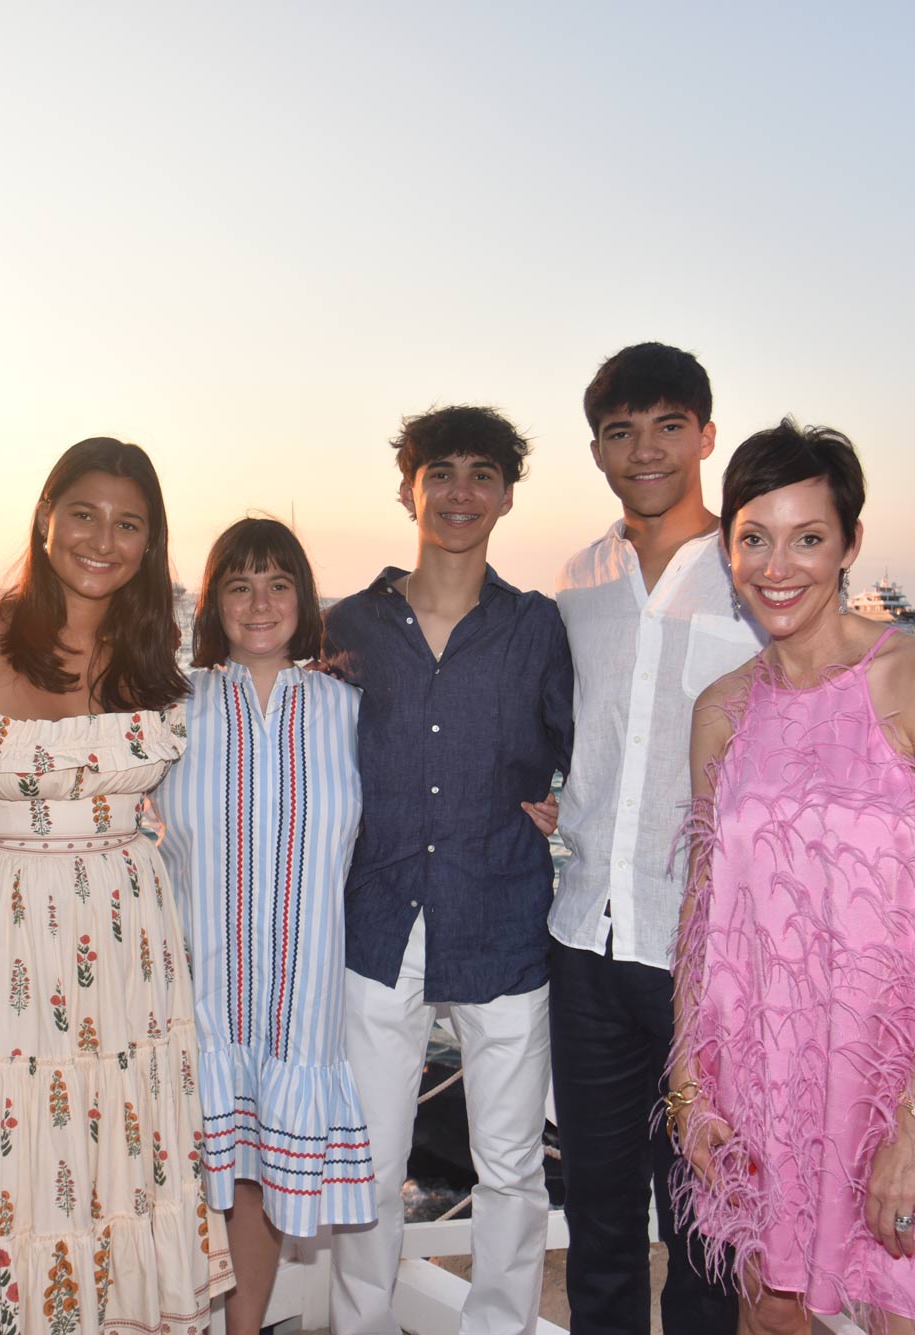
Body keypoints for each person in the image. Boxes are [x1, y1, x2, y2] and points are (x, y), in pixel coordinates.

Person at [669, 420, 915, 1334]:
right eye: (755, 538)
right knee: (768, 1316)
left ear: (850, 543)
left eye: (809, 537)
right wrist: (689, 1084)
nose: (780, 566)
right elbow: (703, 909)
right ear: (727, 547)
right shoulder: (720, 710)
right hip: (769, 1079)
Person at [0, 438, 233, 1335]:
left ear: (151, 542)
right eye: (83, 512)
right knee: (0, 1159)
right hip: (1, 939)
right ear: (46, 518)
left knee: (119, 1153)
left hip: (130, 948)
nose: (102, 538)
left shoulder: (158, 656)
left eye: (129, 523)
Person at [324, 406, 573, 1335]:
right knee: (371, 1162)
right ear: (408, 487)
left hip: (503, 920)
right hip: (373, 922)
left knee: (510, 1165)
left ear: (507, 493)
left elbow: (592, 757)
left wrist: (570, 813)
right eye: (442, 472)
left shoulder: (539, 628)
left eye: (482, 473)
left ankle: (499, 1328)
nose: (461, 491)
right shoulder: (346, 625)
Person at [550, 343, 756, 1334]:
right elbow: (554, 726)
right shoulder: (575, 581)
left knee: (702, 1234)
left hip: (706, 960)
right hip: (581, 943)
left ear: (705, 436)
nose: (645, 450)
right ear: (595, 448)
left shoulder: (754, 576)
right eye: (621, 431)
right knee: (594, 1222)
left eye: (668, 426)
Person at [157, 517, 376, 1335]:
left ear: (304, 597)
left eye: (278, 583)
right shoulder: (167, 703)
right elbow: (86, 789)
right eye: (240, 584)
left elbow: (439, 789)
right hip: (189, 991)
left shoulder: (349, 711)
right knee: (179, 1173)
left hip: (300, 994)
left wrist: (541, 795)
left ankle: (242, 1328)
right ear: (212, 600)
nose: (260, 602)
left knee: (258, 1173)